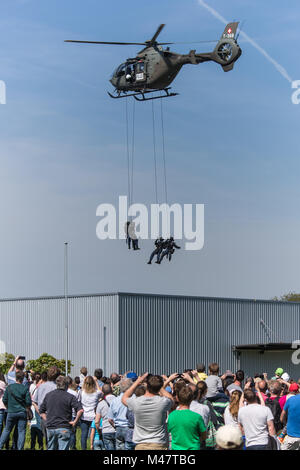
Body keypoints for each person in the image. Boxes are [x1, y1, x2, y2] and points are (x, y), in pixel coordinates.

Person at [122, 373, 176, 451]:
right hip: (159, 443)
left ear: (147, 385)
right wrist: (160, 387)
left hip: (141, 444)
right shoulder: (163, 402)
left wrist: (138, 381)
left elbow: (124, 397)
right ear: (159, 387)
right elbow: (171, 399)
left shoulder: (137, 402)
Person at [39, 376, 83, 450]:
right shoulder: (70, 397)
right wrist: (75, 421)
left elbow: (41, 411)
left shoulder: (49, 395)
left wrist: (47, 419)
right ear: (66, 385)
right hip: (64, 426)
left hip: (51, 426)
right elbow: (80, 410)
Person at [0, 371, 32, 450]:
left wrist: (9, 407)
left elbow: (4, 400)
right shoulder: (25, 388)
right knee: (21, 431)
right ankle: (20, 448)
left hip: (11, 412)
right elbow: (28, 402)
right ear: (23, 379)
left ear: (15, 378)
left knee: (7, 430)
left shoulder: (9, 387)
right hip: (22, 412)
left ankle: (0, 446)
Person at [168, 385, 206, 450]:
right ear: (191, 399)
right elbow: (204, 436)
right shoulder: (197, 417)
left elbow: (168, 432)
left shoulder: (171, 415)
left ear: (177, 398)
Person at [32, 365, 61, 446]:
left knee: (48, 441)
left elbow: (34, 402)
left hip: (43, 417)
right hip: (55, 417)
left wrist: (40, 413)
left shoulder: (41, 387)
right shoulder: (57, 387)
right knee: (55, 442)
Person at [107, 378, 132, 450]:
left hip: (118, 427)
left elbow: (110, 419)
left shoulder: (114, 400)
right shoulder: (132, 398)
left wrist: (115, 426)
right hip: (128, 427)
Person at [79, 376, 102, 450]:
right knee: (95, 434)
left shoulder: (82, 392)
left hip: (84, 416)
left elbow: (82, 388)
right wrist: (96, 381)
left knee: (84, 435)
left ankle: (83, 448)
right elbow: (101, 392)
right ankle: (94, 447)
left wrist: (85, 381)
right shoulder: (96, 393)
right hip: (93, 416)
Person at [95, 383, 116, 450]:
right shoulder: (118, 400)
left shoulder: (101, 404)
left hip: (106, 430)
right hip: (117, 429)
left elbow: (97, 421)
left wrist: (99, 432)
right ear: (112, 391)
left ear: (103, 393)